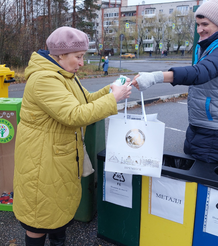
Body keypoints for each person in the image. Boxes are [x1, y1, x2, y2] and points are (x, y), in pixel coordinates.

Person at [13, 26, 132, 246]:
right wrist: (113, 100)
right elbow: (74, 114)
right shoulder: (43, 79)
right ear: (60, 55)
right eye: (78, 57)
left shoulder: (66, 76)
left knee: (59, 213)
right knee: (38, 221)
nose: (81, 63)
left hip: (58, 160)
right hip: (42, 163)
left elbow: (87, 101)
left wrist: (111, 90)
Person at [132, 0, 218, 164]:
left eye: (205, 24)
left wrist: (155, 77)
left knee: (206, 186)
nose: (199, 29)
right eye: (198, 24)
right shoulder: (210, 45)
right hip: (201, 126)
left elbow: (200, 73)